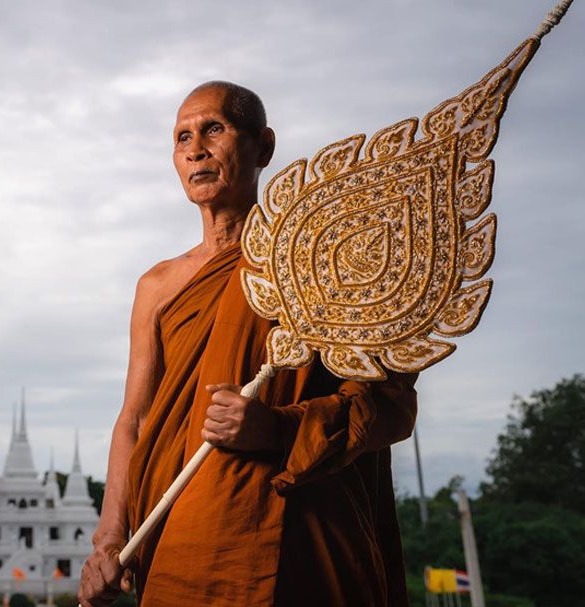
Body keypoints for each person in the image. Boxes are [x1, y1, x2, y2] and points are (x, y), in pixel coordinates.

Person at [77, 81, 418, 606]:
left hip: (297, 536)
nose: (196, 149)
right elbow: (136, 420)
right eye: (182, 137)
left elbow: (391, 408)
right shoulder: (159, 286)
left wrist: (278, 428)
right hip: (183, 542)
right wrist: (109, 539)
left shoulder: (322, 264)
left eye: (214, 128)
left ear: (263, 146)